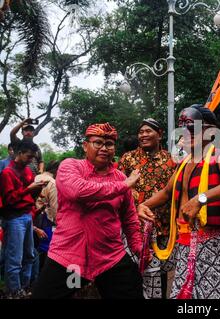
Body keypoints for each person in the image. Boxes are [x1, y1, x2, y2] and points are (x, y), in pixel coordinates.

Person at [138, 105, 220, 299]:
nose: (186, 134)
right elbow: (166, 192)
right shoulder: (184, 163)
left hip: (216, 246)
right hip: (184, 244)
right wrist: (143, 205)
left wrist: (201, 198)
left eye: (193, 129)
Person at [32, 123, 144, 299]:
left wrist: (138, 246)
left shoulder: (120, 177)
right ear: (85, 146)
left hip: (109, 257)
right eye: (97, 142)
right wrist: (124, 185)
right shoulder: (70, 166)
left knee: (131, 292)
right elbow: (78, 191)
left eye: (109, 144)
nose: (104, 148)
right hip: (70, 259)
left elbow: (129, 217)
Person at [119, 118, 176, 299]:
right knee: (132, 272)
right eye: (141, 132)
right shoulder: (128, 159)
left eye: (148, 131)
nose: (143, 135)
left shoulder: (171, 160)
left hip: (163, 228)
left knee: (160, 271)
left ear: (159, 134)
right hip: (134, 228)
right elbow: (119, 188)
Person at [0, 140, 47, 298]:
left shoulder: (27, 171)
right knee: (15, 258)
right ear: (19, 153)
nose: (30, 160)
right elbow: (9, 200)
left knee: (29, 255)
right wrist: (28, 189)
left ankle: (24, 287)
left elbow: (29, 194)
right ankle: (13, 290)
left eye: (33, 157)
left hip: (27, 215)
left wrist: (38, 188)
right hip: (14, 218)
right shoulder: (7, 172)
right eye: (28, 156)